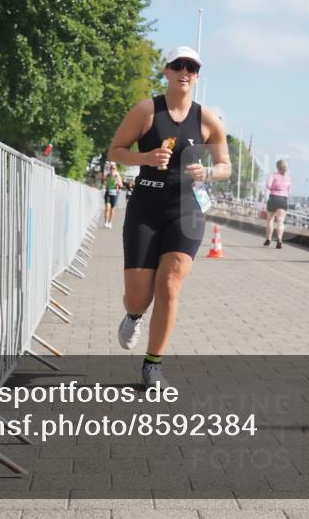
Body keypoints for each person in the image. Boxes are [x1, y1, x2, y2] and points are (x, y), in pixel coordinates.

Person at [108, 46, 230, 386]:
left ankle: (153, 364)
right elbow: (115, 150)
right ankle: (133, 316)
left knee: (170, 285)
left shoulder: (207, 119)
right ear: (166, 71)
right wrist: (146, 158)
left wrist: (209, 172)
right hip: (145, 209)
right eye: (178, 65)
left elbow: (225, 166)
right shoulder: (147, 110)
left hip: (186, 210)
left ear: (197, 75)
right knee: (139, 295)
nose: (185, 71)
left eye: (192, 67)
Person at [263, 160, 291, 248]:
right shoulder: (288, 178)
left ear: (277, 167)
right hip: (283, 200)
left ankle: (268, 239)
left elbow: (268, 186)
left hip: (273, 198)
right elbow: (289, 192)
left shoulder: (272, 175)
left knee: (270, 220)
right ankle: (279, 239)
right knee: (280, 222)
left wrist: (265, 200)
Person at [102, 163, 123, 228]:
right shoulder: (107, 175)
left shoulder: (117, 175)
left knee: (112, 209)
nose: (112, 169)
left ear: (115, 169)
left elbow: (121, 185)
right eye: (111, 168)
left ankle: (110, 222)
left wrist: (118, 183)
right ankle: (105, 222)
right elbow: (104, 182)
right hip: (108, 192)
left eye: (113, 168)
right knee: (107, 207)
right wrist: (105, 181)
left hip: (115, 193)